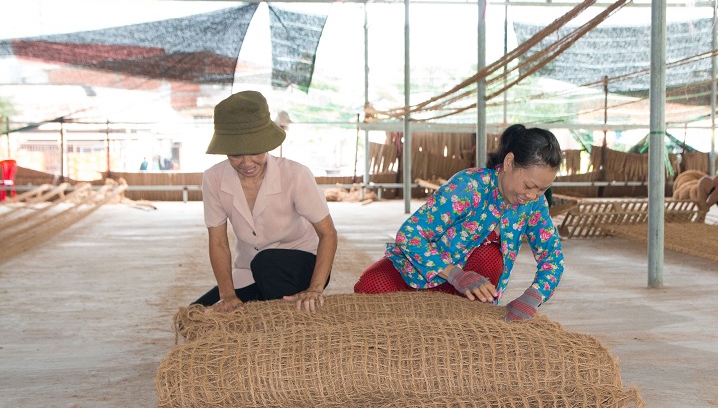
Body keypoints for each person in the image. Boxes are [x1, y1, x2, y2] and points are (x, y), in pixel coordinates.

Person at [353, 124, 564, 321]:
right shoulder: (469, 186)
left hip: (469, 294)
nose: (532, 195)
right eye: (529, 185)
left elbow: (553, 258)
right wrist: (455, 274)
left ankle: (455, 314)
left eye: (542, 190)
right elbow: (409, 236)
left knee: (489, 257)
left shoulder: (534, 205)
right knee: (369, 287)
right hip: (420, 272)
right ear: (509, 163)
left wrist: (533, 296)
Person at [193, 90, 337, 314]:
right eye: (236, 155)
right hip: (250, 270)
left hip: (301, 265)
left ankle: (275, 311)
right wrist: (228, 295)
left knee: (267, 263)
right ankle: (262, 303)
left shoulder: (296, 174)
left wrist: (315, 288)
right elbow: (218, 242)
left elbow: (328, 233)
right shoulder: (213, 179)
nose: (247, 162)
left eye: (255, 152)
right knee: (196, 314)